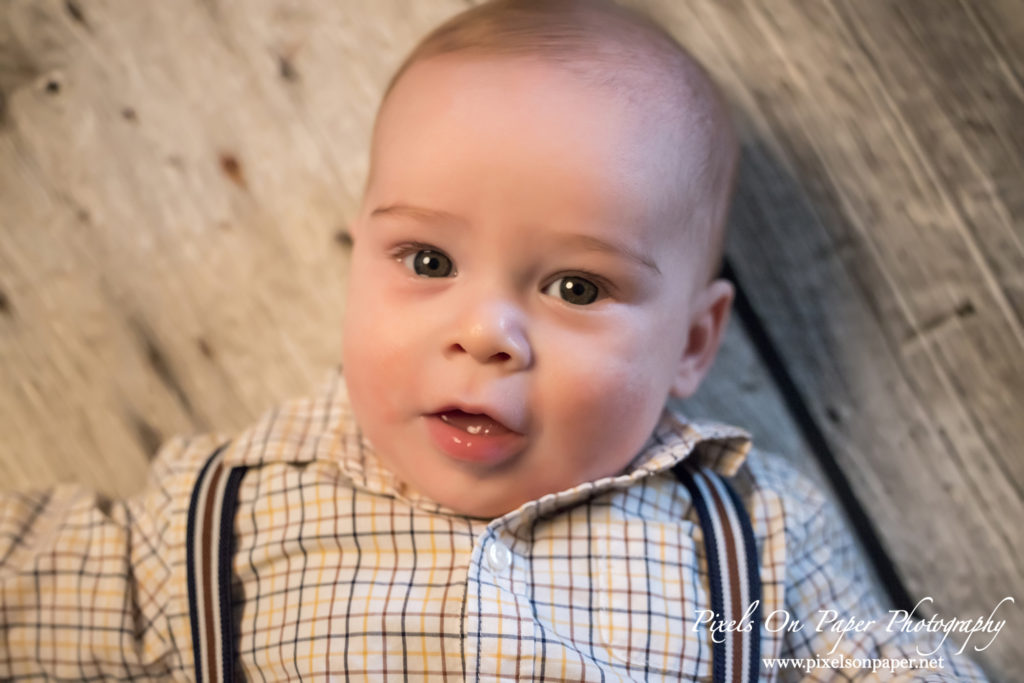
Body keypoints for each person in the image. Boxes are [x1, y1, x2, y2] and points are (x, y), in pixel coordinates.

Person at [0, 0, 990, 680]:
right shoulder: (220, 508)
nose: (483, 332)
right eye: (426, 260)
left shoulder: (749, 527)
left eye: (575, 284)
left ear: (692, 342)